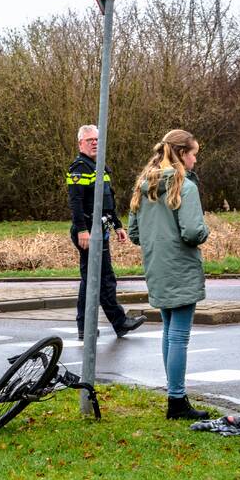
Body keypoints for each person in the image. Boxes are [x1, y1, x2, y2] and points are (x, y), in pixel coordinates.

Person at [127, 129, 210, 420]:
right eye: (194, 154)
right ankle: (176, 400)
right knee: (179, 335)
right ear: (182, 153)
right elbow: (193, 232)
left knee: (169, 331)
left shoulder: (144, 185)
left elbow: (134, 233)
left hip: (156, 265)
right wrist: (205, 230)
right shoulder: (185, 187)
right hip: (181, 265)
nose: (195, 160)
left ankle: (174, 394)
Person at [67, 124, 146, 341]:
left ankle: (89, 326)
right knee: (100, 279)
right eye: (89, 140)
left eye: (97, 139)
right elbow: (76, 202)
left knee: (94, 279)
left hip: (100, 229)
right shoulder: (80, 168)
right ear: (80, 144)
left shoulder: (99, 167)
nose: (94, 143)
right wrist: (82, 230)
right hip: (88, 231)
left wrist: (117, 225)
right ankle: (117, 322)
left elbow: (107, 202)